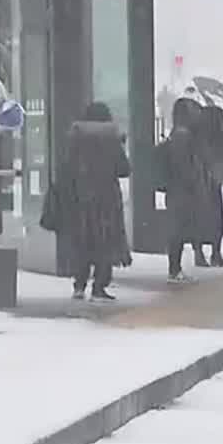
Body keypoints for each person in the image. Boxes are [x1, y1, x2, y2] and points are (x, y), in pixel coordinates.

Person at [55, 101, 132, 301]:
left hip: (80, 200)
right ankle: (99, 286)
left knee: (82, 242)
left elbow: (66, 168)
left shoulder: (75, 138)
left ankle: (79, 286)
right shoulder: (111, 139)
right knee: (105, 244)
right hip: (107, 200)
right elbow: (124, 169)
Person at [160, 97, 217, 281]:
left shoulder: (179, 135)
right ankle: (174, 269)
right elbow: (186, 166)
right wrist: (194, 181)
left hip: (179, 190)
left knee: (178, 229)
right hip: (182, 191)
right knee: (178, 230)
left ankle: (175, 268)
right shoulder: (182, 137)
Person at [197, 103, 223, 267]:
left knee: (199, 220)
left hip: (199, 185)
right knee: (216, 220)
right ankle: (216, 253)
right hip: (214, 182)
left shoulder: (198, 138)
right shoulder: (221, 139)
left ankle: (199, 253)